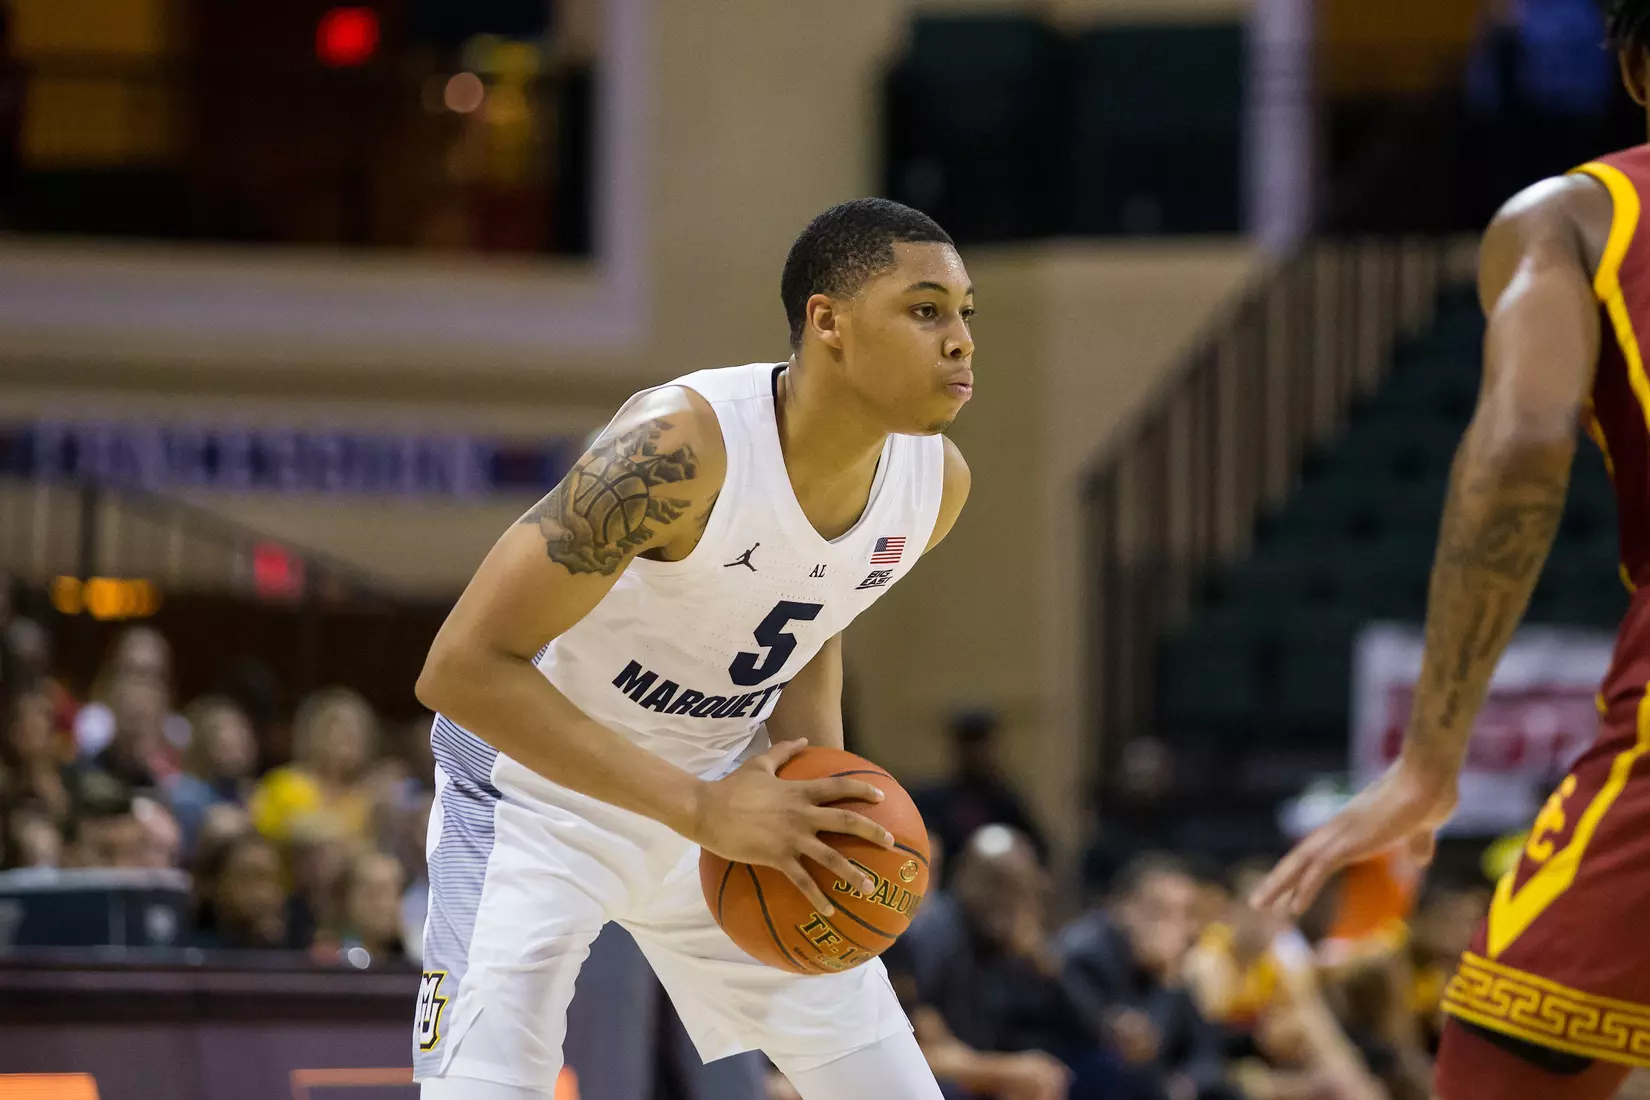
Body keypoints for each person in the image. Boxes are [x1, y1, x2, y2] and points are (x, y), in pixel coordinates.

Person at [411, 198, 974, 1100]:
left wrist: (816, 797)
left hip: (728, 796)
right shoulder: (678, 447)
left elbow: (815, 617)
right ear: (827, 321)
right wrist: (700, 810)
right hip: (535, 790)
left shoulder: (933, 486)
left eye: (963, 314)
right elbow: (461, 670)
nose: (959, 341)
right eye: (925, 309)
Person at [1254, 6, 1650, 1094]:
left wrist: (1432, 758)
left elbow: (1524, 439)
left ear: (1631, 69)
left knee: (1500, 1064)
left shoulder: (1577, 216)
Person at [1057, 856, 1236, 1100]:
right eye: (1159, 912)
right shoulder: (1084, 956)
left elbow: (1206, 1049)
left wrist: (1189, 1082)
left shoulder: (1172, 957)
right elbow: (1136, 1048)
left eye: (1182, 914)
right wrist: (1168, 982)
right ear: (1123, 908)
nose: (1174, 927)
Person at [910, 709, 1049, 877]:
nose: (976, 754)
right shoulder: (933, 801)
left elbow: (1039, 852)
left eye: (981, 744)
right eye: (968, 745)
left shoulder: (1004, 802)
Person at [250, 686, 380, 844]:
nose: (351, 735)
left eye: (357, 728)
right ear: (314, 732)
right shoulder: (285, 784)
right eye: (339, 726)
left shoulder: (371, 797)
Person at [166, 695, 258, 855]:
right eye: (221, 730)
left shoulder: (255, 794)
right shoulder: (186, 796)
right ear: (202, 741)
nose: (233, 738)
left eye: (240, 730)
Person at [191, 830, 303, 951]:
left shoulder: (302, 947)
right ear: (217, 884)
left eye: (271, 878)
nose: (261, 892)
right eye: (247, 877)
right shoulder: (191, 953)